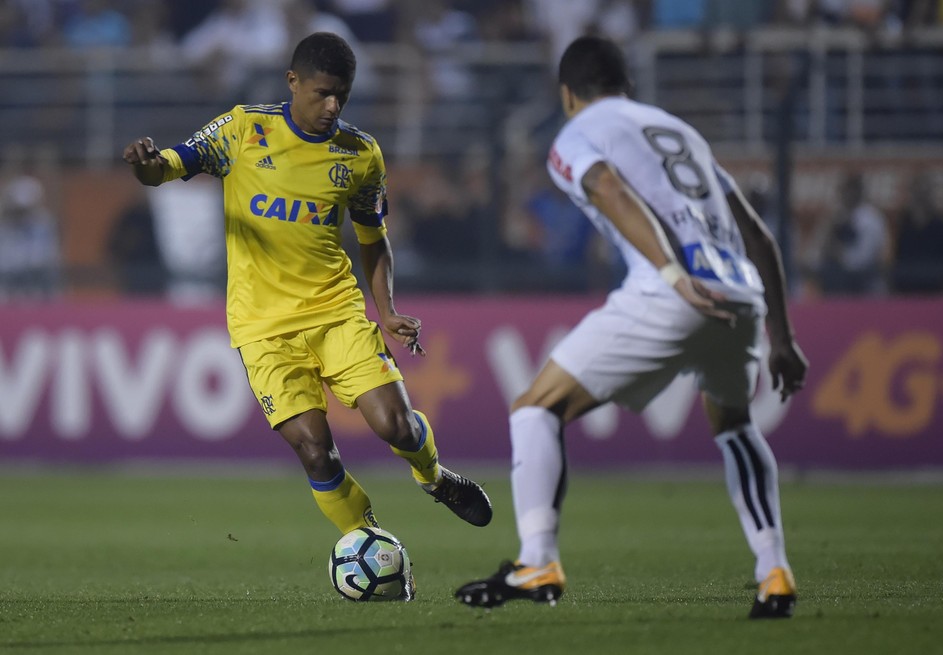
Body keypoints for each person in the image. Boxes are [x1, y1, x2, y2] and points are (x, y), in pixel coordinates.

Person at [122, 32, 492, 598]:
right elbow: (168, 167)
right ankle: (369, 539)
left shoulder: (359, 153)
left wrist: (387, 310)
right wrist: (147, 166)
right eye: (323, 93)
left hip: (336, 312)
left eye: (343, 95)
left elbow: (373, 239)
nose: (333, 106)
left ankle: (435, 477)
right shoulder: (244, 130)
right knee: (316, 450)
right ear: (292, 82)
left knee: (395, 426)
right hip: (262, 328)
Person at [455, 35, 808, 619]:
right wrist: (784, 338)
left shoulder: (576, 134)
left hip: (671, 291)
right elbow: (758, 235)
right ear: (628, 85)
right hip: (742, 295)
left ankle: (537, 559)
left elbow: (607, 187)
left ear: (567, 95)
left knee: (535, 408)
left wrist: (671, 274)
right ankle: (775, 571)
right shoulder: (680, 132)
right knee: (736, 425)